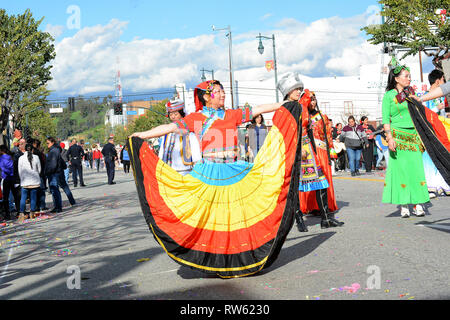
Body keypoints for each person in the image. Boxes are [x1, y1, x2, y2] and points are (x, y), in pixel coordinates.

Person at [129, 79, 300, 278]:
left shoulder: (232, 114)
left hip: (234, 170)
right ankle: (217, 261)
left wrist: (284, 104)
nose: (223, 94)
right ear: (207, 96)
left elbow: (259, 109)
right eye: (219, 91)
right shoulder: (196, 118)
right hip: (209, 172)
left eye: (223, 91)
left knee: (236, 217)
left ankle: (239, 258)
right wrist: (143, 134)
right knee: (214, 219)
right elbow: (170, 127)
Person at [382, 57, 429, 218]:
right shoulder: (389, 96)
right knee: (401, 171)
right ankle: (403, 204)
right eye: (406, 76)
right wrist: (389, 138)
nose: (409, 78)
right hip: (397, 136)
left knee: (415, 170)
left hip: (413, 136)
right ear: (396, 79)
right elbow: (385, 118)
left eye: (409, 76)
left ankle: (418, 203)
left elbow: (419, 115)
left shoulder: (411, 94)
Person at [300, 91, 342, 228]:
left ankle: (324, 211)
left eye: (314, 100)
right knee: (309, 180)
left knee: (323, 181)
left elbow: (328, 135)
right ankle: (310, 207)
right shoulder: (303, 117)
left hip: (321, 150)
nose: (313, 102)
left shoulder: (322, 117)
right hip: (307, 152)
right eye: (310, 100)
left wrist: (331, 150)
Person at [157, 98, 201, 175]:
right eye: (171, 115)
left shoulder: (189, 132)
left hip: (186, 171)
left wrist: (197, 170)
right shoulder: (167, 133)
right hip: (169, 171)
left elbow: (196, 152)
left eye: (175, 114)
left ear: (182, 114)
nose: (173, 117)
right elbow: (162, 152)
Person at [17, 143, 41, 222]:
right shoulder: (36, 157)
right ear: (32, 149)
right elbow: (39, 169)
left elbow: (19, 171)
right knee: (33, 197)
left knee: (23, 198)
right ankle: (32, 212)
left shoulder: (21, 158)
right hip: (34, 181)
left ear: (25, 149)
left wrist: (22, 179)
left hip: (25, 182)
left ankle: (22, 213)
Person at [0, 145, 21, 220]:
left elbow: (3, 167)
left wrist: (7, 173)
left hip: (6, 178)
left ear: (2, 150)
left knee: (5, 197)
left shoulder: (1, 158)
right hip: (13, 178)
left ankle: (7, 214)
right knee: (16, 196)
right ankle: (19, 212)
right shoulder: (11, 156)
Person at [45, 137, 63, 213]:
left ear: (52, 142)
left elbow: (53, 163)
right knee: (54, 190)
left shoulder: (53, 151)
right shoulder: (54, 150)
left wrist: (49, 171)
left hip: (53, 173)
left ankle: (58, 206)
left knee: (55, 190)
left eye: (48, 143)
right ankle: (57, 206)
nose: (47, 145)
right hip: (54, 172)